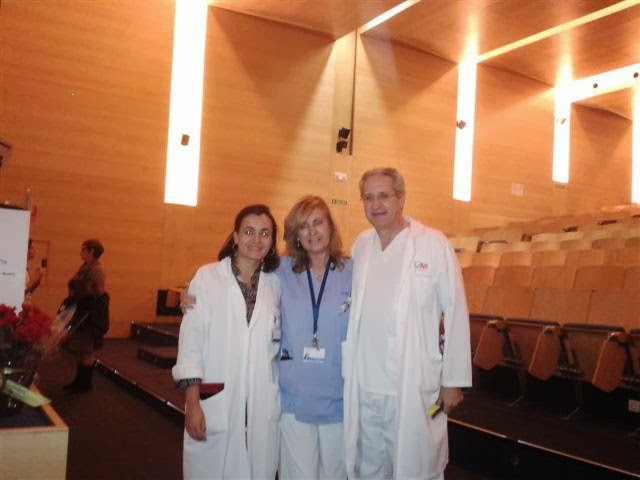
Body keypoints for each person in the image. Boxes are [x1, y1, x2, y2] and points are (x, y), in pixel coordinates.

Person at [342, 167, 472, 480]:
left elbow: (456, 310)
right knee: (369, 470)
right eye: (368, 198)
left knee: (417, 467)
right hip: (365, 386)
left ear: (401, 199)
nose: (376, 205)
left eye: (384, 196)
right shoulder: (361, 245)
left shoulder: (433, 244)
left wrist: (453, 381)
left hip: (414, 385)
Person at [172, 204, 281, 480]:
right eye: (249, 231)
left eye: (265, 233)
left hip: (259, 401)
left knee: (257, 469)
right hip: (216, 398)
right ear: (235, 237)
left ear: (272, 241)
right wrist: (192, 403)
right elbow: (191, 346)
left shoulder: (275, 285)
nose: (256, 239)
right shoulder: (207, 278)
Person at [277, 196, 352, 480]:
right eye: (303, 226)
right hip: (295, 396)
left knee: (335, 475)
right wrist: (200, 294)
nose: (312, 232)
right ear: (295, 234)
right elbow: (240, 278)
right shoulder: (280, 270)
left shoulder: (353, 271)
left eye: (318, 222)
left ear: (330, 226)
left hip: (339, 396)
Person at [63, 238, 109, 393]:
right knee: (79, 348)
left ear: (91, 251)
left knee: (86, 349)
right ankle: (79, 380)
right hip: (81, 311)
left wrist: (78, 289)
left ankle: (84, 383)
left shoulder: (96, 270)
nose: (80, 252)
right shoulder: (86, 267)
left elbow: (97, 293)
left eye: (83, 249)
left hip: (88, 315)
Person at [24, 238, 43, 303]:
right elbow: (21, 294)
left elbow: (27, 293)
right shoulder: (20, 269)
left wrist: (37, 282)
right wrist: (35, 282)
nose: (35, 250)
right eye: (31, 248)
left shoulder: (25, 267)